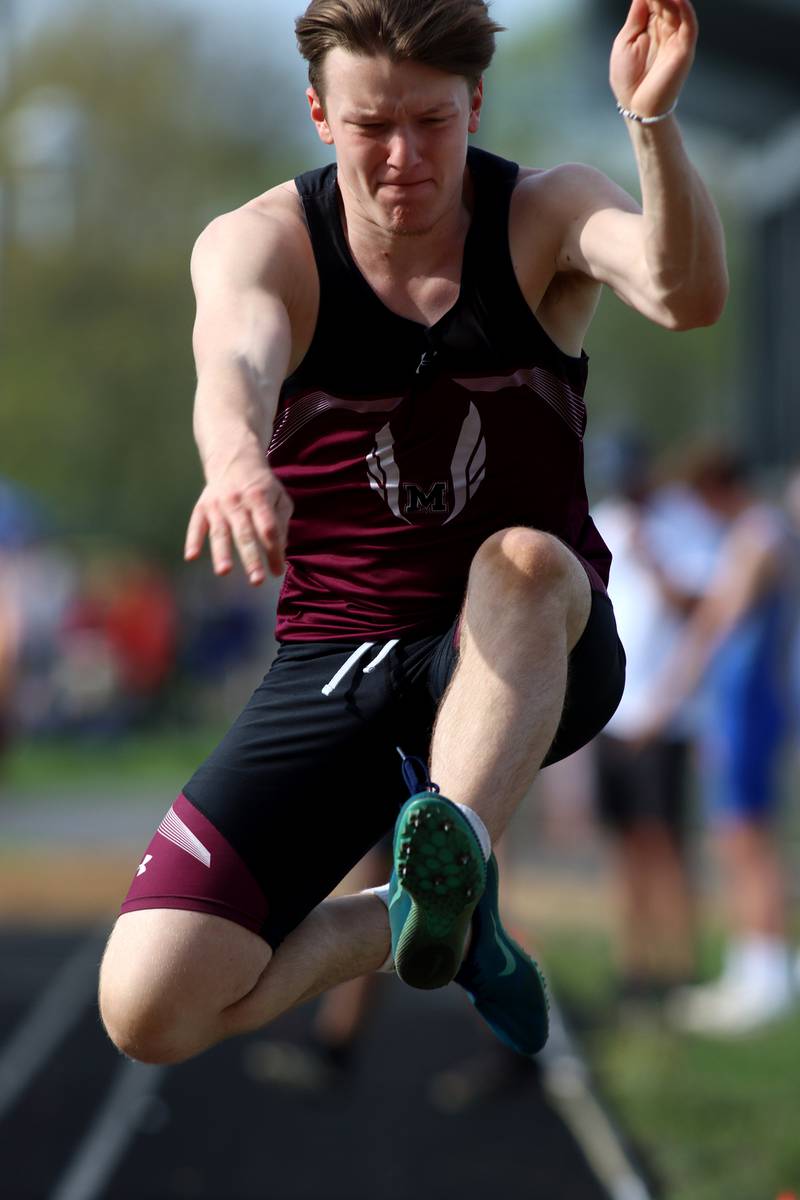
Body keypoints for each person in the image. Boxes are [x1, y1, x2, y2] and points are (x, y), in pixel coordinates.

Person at [98, 0, 727, 1066]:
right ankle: (428, 907)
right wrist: (238, 459)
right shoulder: (263, 243)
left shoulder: (539, 215)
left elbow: (683, 293)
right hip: (341, 664)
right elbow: (235, 357)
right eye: (369, 127)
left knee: (520, 556)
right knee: (149, 1009)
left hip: (535, 645)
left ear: (473, 103)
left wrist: (649, 123)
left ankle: (459, 844)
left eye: (432, 124)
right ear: (318, 115)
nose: (401, 159)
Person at [640, 447, 798, 1034]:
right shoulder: (758, 534)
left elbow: (715, 624)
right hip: (737, 704)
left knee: (746, 837)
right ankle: (752, 964)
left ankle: (765, 973)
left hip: (748, 705)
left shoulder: (758, 537)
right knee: (738, 837)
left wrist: (668, 695)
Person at [591, 437, 720, 1012]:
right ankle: (635, 966)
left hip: (664, 717)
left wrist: (655, 561)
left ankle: (682, 967)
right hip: (612, 717)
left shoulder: (682, 521)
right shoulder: (600, 522)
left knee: (667, 844)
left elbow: (701, 610)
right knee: (623, 846)